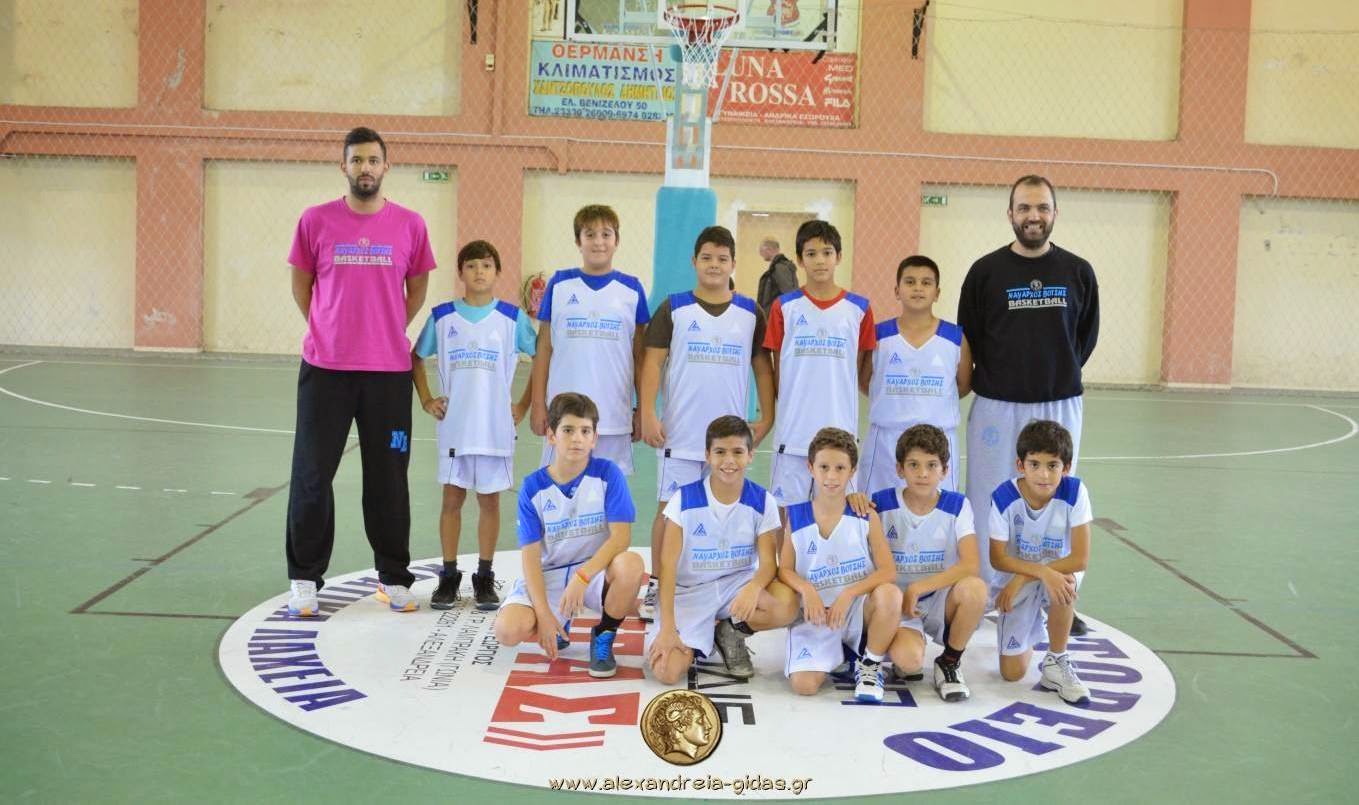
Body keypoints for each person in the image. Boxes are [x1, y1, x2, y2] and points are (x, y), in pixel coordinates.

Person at [284, 126, 435, 617]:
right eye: (356, 160)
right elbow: (302, 285)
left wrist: (385, 327)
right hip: (325, 370)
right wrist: (328, 328)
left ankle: (394, 577)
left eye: (373, 160)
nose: (365, 168)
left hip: (387, 374)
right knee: (312, 475)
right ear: (343, 166)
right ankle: (305, 578)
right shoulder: (315, 221)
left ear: (386, 166)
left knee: (389, 478)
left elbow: (417, 288)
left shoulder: (410, 225)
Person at [958, 175, 1098, 634]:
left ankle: (1058, 597)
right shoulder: (985, 272)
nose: (1033, 216)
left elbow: (1084, 338)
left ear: (1055, 213)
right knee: (988, 498)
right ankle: (987, 592)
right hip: (997, 404)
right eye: (1024, 208)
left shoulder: (1078, 272)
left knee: (1056, 500)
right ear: (1010, 214)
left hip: (1058, 401)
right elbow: (970, 337)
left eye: (1041, 208)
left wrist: (1053, 371)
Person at [637, 226, 776, 620]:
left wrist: (767, 417)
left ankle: (722, 585)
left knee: (725, 512)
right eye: (707, 258)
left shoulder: (750, 312)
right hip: (680, 433)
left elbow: (762, 368)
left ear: (733, 264)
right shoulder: (674, 308)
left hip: (729, 442)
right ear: (694, 262)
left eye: (722, 259)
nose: (714, 265)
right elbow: (652, 362)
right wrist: (647, 412)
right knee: (669, 511)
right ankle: (658, 583)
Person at [410, 240, 536, 611]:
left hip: (495, 429)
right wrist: (427, 399)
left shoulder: (512, 319)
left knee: (489, 502)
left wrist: (523, 404)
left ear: (497, 272)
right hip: (456, 428)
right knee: (451, 500)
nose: (479, 271)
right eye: (471, 266)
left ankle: (484, 576)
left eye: (486, 265)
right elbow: (416, 357)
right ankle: (449, 575)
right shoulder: (443, 317)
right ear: (460, 273)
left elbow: (542, 355)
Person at [494, 392, 646, 678]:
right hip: (549, 574)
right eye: (568, 430)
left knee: (631, 565)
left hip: (593, 573)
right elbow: (530, 558)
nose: (577, 439)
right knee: (507, 631)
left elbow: (621, 538)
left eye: (585, 431)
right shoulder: (533, 488)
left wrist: (583, 576)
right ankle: (556, 623)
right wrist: (543, 615)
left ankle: (603, 634)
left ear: (595, 438)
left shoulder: (608, 474)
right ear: (551, 436)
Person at [646, 416, 798, 684]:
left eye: (737, 452)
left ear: (750, 455)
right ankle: (694, 638)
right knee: (666, 672)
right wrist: (668, 627)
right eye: (720, 452)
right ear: (707, 455)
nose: (729, 461)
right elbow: (667, 568)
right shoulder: (683, 500)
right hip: (689, 593)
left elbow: (768, 564)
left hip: (735, 585)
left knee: (786, 604)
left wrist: (753, 588)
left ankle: (730, 632)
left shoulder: (763, 501)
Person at [779, 428, 902, 703]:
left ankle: (870, 663)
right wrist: (807, 590)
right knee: (804, 686)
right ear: (811, 468)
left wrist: (848, 594)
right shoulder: (796, 516)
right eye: (824, 467)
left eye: (840, 468)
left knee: (890, 594)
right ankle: (845, 653)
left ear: (852, 471)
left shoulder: (864, 514)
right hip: (817, 614)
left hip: (856, 608)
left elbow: (888, 571)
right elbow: (784, 569)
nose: (832, 476)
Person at [866, 425, 986, 702]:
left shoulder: (957, 505)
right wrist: (854, 499)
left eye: (932, 465)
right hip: (896, 603)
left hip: (937, 599)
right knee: (908, 661)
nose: (922, 473)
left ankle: (950, 662)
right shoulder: (881, 503)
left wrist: (918, 587)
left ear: (944, 470)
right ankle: (893, 642)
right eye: (914, 465)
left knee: (975, 589)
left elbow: (970, 565)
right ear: (899, 469)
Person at [763, 220, 876, 512]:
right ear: (800, 260)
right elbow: (777, 371)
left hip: (841, 434)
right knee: (785, 517)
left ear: (839, 256)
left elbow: (858, 367)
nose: (820, 260)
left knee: (840, 516)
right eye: (811, 254)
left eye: (827, 253)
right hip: (793, 436)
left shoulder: (859, 309)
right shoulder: (784, 307)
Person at [529, 205, 649, 474]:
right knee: (559, 487)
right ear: (578, 241)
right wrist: (538, 405)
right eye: (590, 234)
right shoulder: (559, 284)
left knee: (607, 490)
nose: (598, 242)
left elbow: (639, 356)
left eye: (606, 234)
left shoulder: (631, 289)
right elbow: (544, 348)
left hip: (613, 417)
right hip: (563, 416)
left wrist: (642, 409)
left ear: (616, 240)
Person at [988, 420, 1092, 705]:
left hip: (1052, 573)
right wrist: (1034, 575)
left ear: (1066, 468)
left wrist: (1031, 576)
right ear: (1020, 465)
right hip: (1014, 576)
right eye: (1034, 464)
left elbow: (1080, 558)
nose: (1043, 474)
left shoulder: (1075, 492)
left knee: (1065, 582)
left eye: (1052, 465)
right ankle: (1033, 621)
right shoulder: (1004, 497)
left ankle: (1056, 659)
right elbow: (997, 558)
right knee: (1012, 674)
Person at [858, 255, 971, 495]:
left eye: (926, 283)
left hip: (938, 442)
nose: (918, 288)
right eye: (910, 282)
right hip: (886, 441)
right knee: (878, 509)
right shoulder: (879, 335)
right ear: (897, 291)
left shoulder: (954, 337)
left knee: (939, 511)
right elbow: (865, 381)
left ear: (937, 293)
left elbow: (963, 384)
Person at [755, 237, 798, 314]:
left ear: (769, 249)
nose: (760, 254)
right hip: (774, 315)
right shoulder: (777, 268)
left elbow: (789, 294)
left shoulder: (780, 267)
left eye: (761, 251)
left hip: (777, 317)